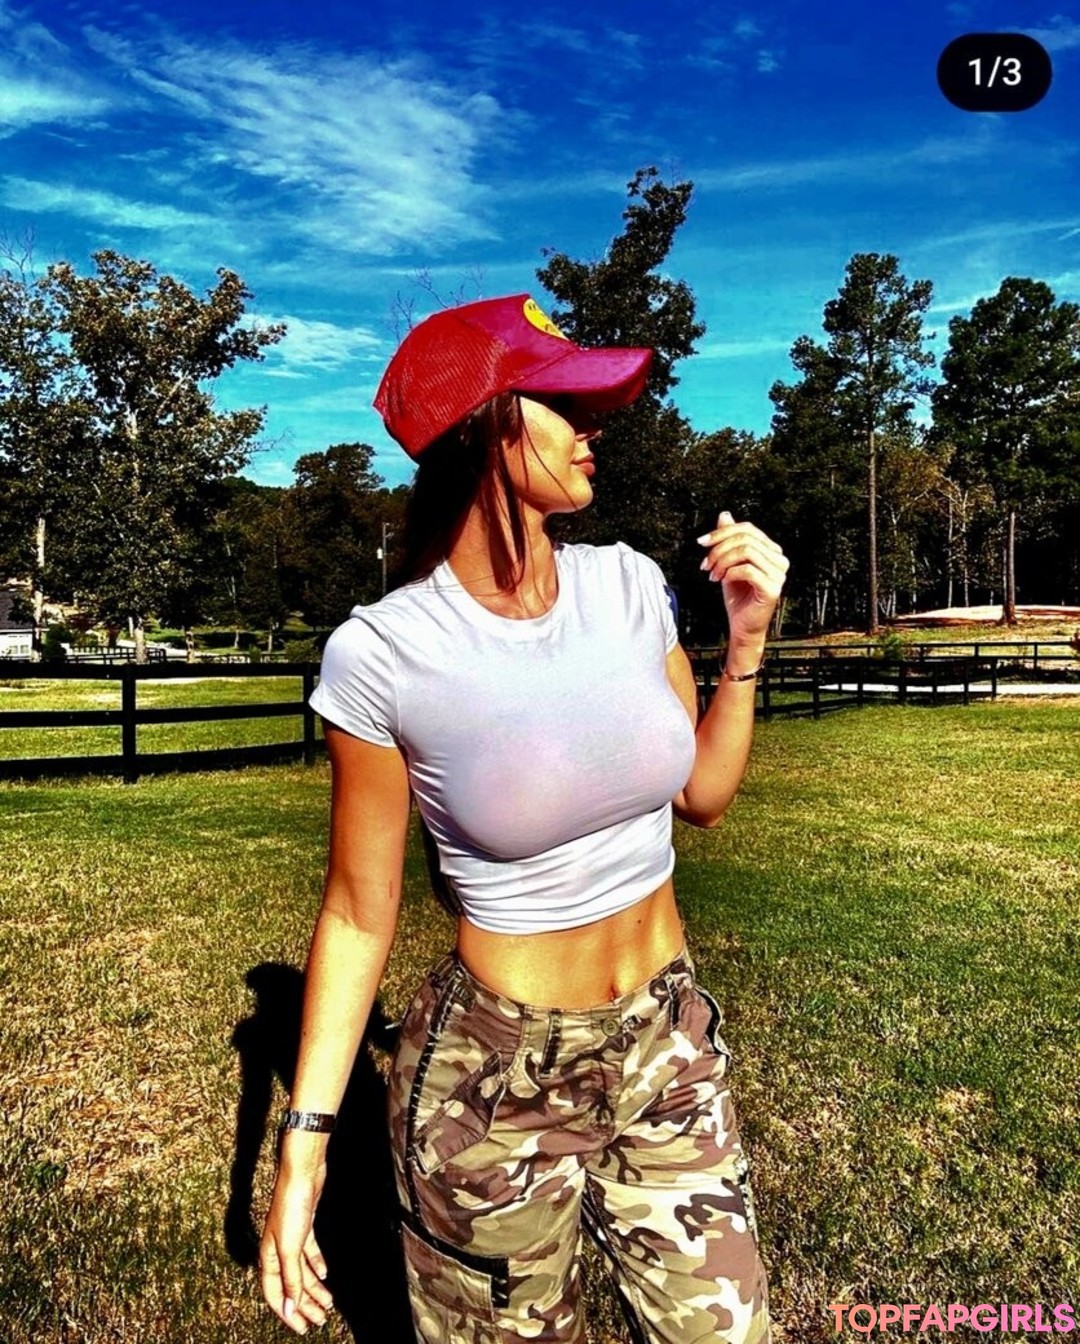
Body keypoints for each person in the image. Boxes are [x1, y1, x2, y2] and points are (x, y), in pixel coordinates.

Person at [259, 294, 788, 1343]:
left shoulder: (629, 586)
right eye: (563, 405)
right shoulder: (384, 654)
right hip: (493, 1082)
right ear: (485, 430)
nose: (593, 430)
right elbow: (360, 914)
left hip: (666, 1035)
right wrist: (304, 1145)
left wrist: (747, 644)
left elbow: (702, 796)